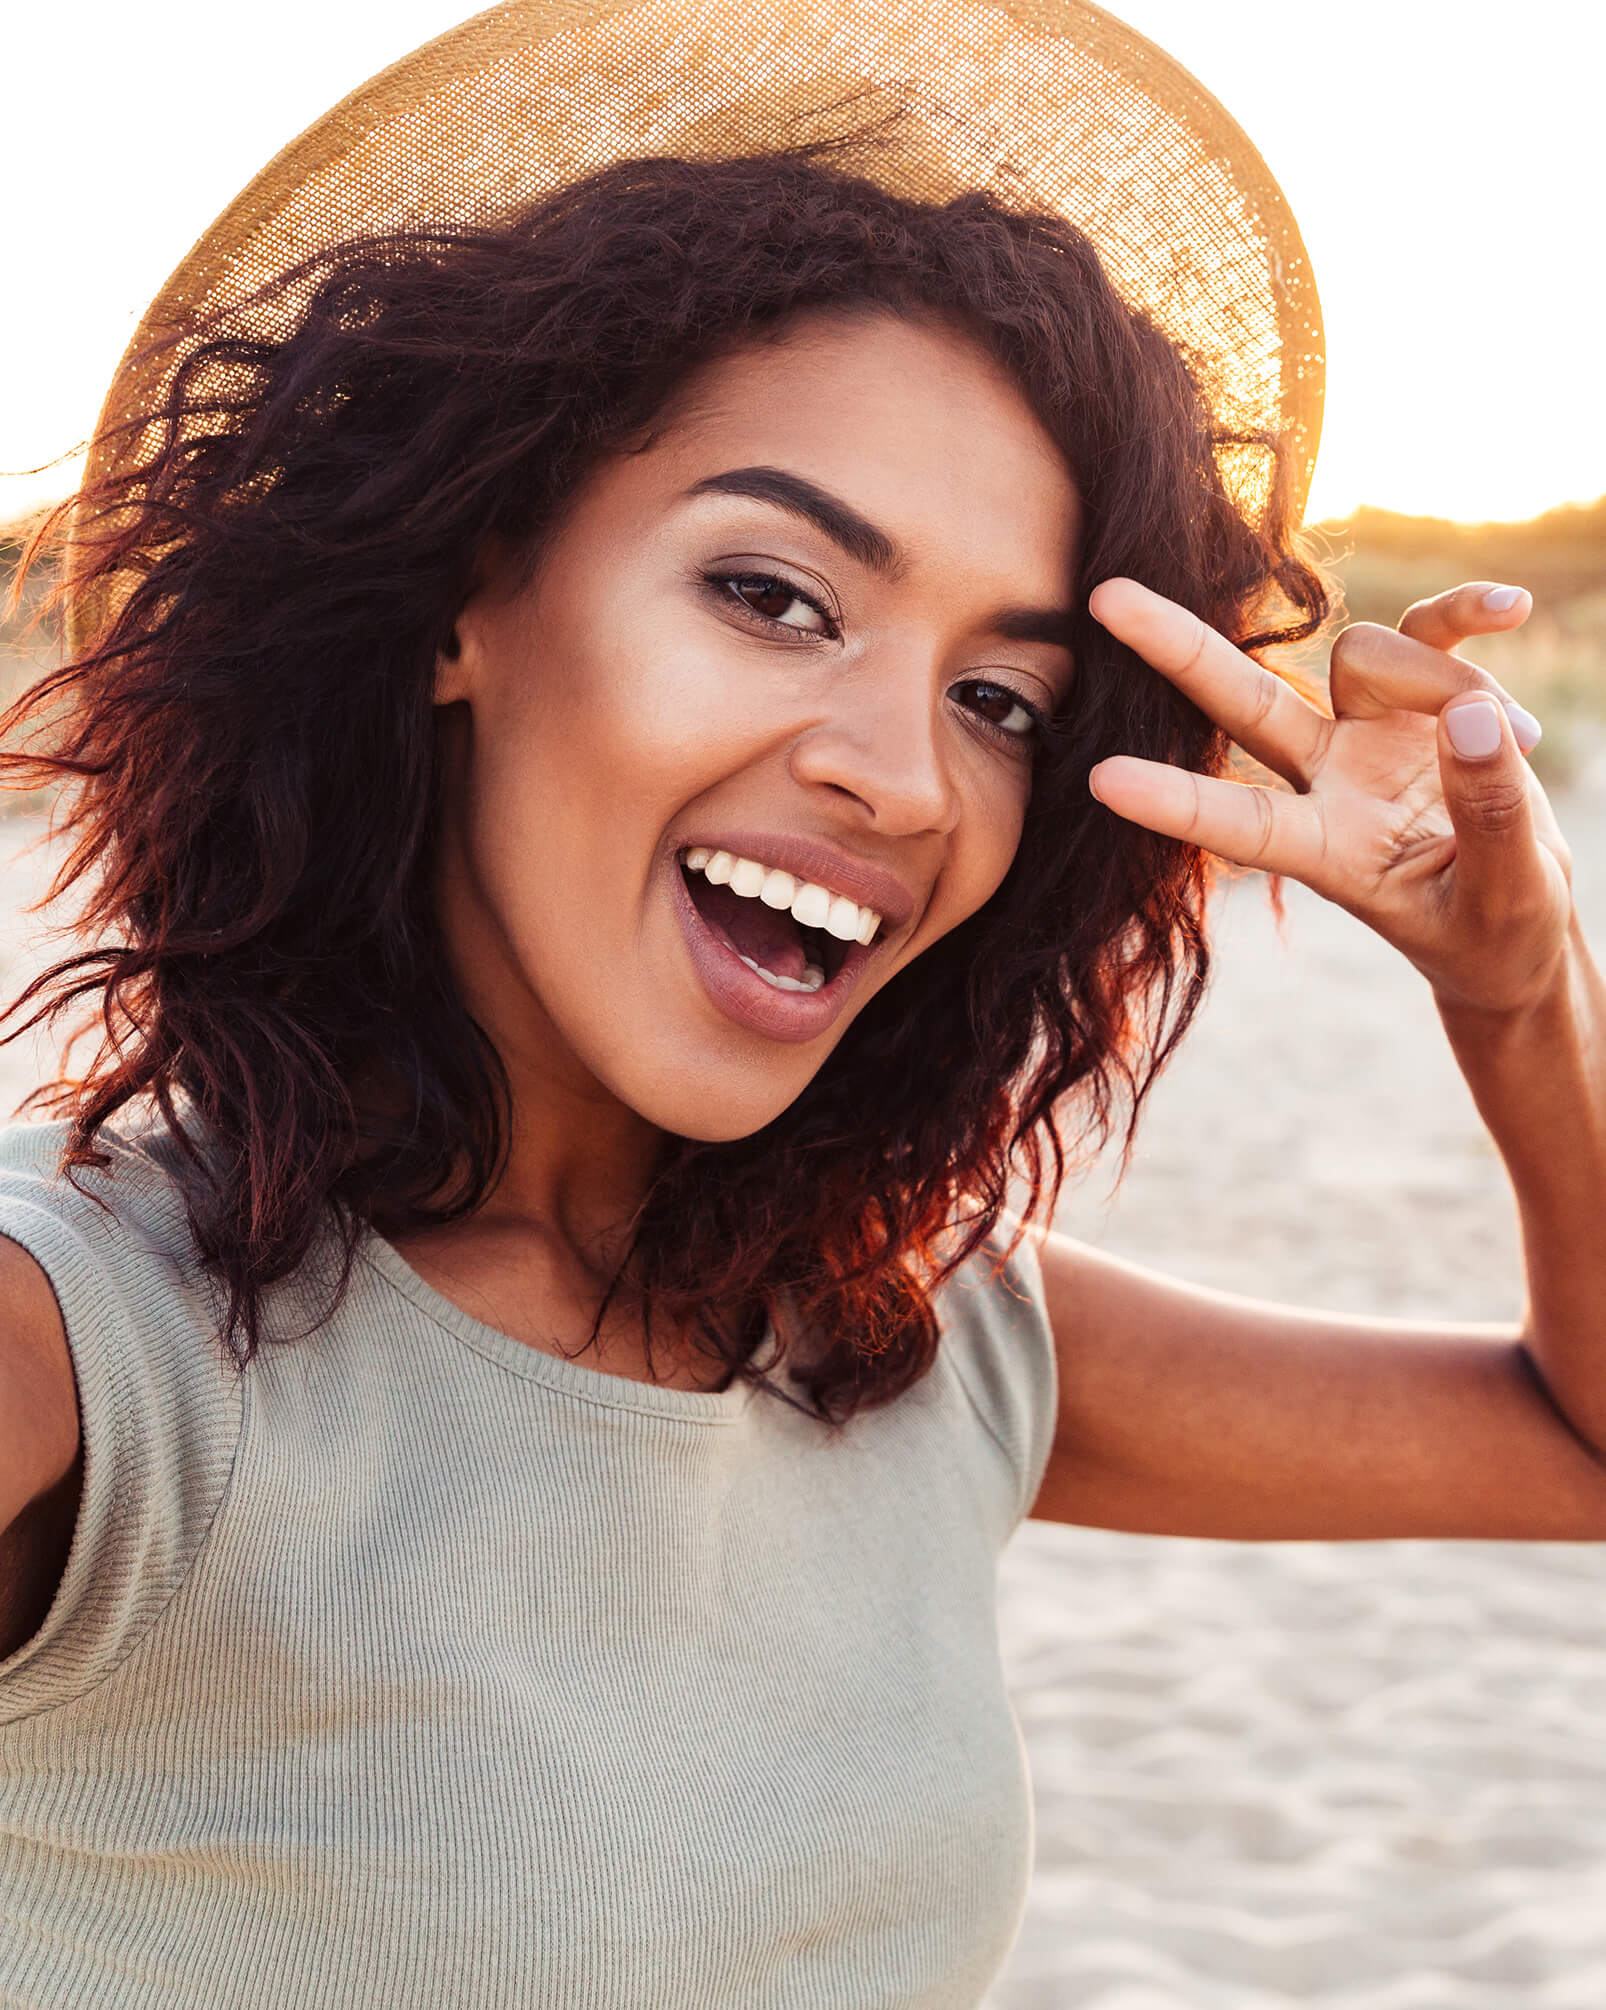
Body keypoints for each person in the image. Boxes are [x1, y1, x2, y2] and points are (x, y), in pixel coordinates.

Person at [1, 2, 1601, 2005]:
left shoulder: (912, 1329)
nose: (903, 775)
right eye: (770, 595)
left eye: (996, 698)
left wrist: (1519, 999)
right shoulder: (87, 1329)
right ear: (453, 608)